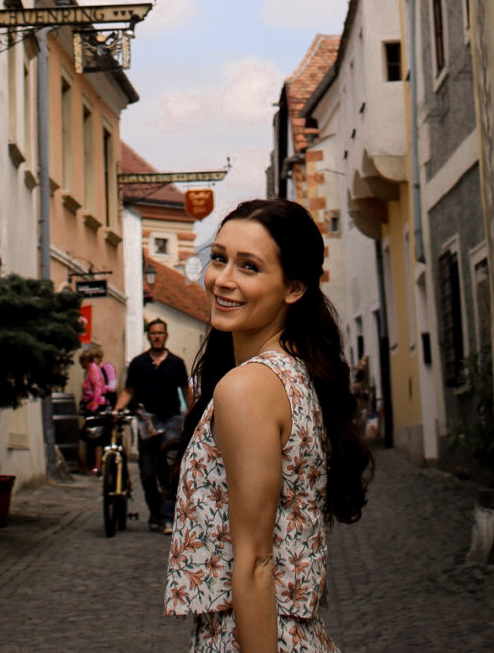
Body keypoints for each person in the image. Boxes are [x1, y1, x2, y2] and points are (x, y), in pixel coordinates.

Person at [163, 199, 371, 653]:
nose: (223, 280)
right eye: (219, 258)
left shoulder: (248, 388)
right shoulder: (294, 373)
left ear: (293, 288)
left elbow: (256, 562)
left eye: (250, 267)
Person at [115, 317, 191, 531]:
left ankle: (168, 517)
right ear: (148, 336)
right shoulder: (139, 364)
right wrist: (117, 409)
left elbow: (186, 391)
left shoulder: (176, 363)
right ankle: (155, 514)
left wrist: (194, 414)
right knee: (147, 472)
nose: (157, 336)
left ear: (166, 336)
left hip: (171, 421)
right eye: (153, 333)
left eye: (160, 333)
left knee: (167, 468)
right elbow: (128, 390)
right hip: (147, 421)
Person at [79, 345, 108, 474]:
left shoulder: (93, 370)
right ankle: (94, 465)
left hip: (95, 407)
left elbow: (97, 387)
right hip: (90, 405)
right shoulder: (90, 370)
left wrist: (95, 403)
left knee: (96, 437)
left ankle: (97, 466)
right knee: (91, 436)